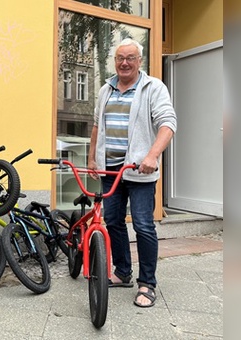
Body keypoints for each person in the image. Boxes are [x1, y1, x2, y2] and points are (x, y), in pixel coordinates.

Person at [88, 38, 177, 308]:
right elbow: (96, 125)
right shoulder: (106, 89)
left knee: (142, 225)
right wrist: (92, 157)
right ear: (114, 61)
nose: (124, 63)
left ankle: (147, 283)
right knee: (113, 221)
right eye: (119, 58)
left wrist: (152, 156)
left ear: (140, 61)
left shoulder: (153, 87)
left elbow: (168, 123)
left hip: (139, 170)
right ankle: (123, 271)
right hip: (110, 169)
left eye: (130, 58)